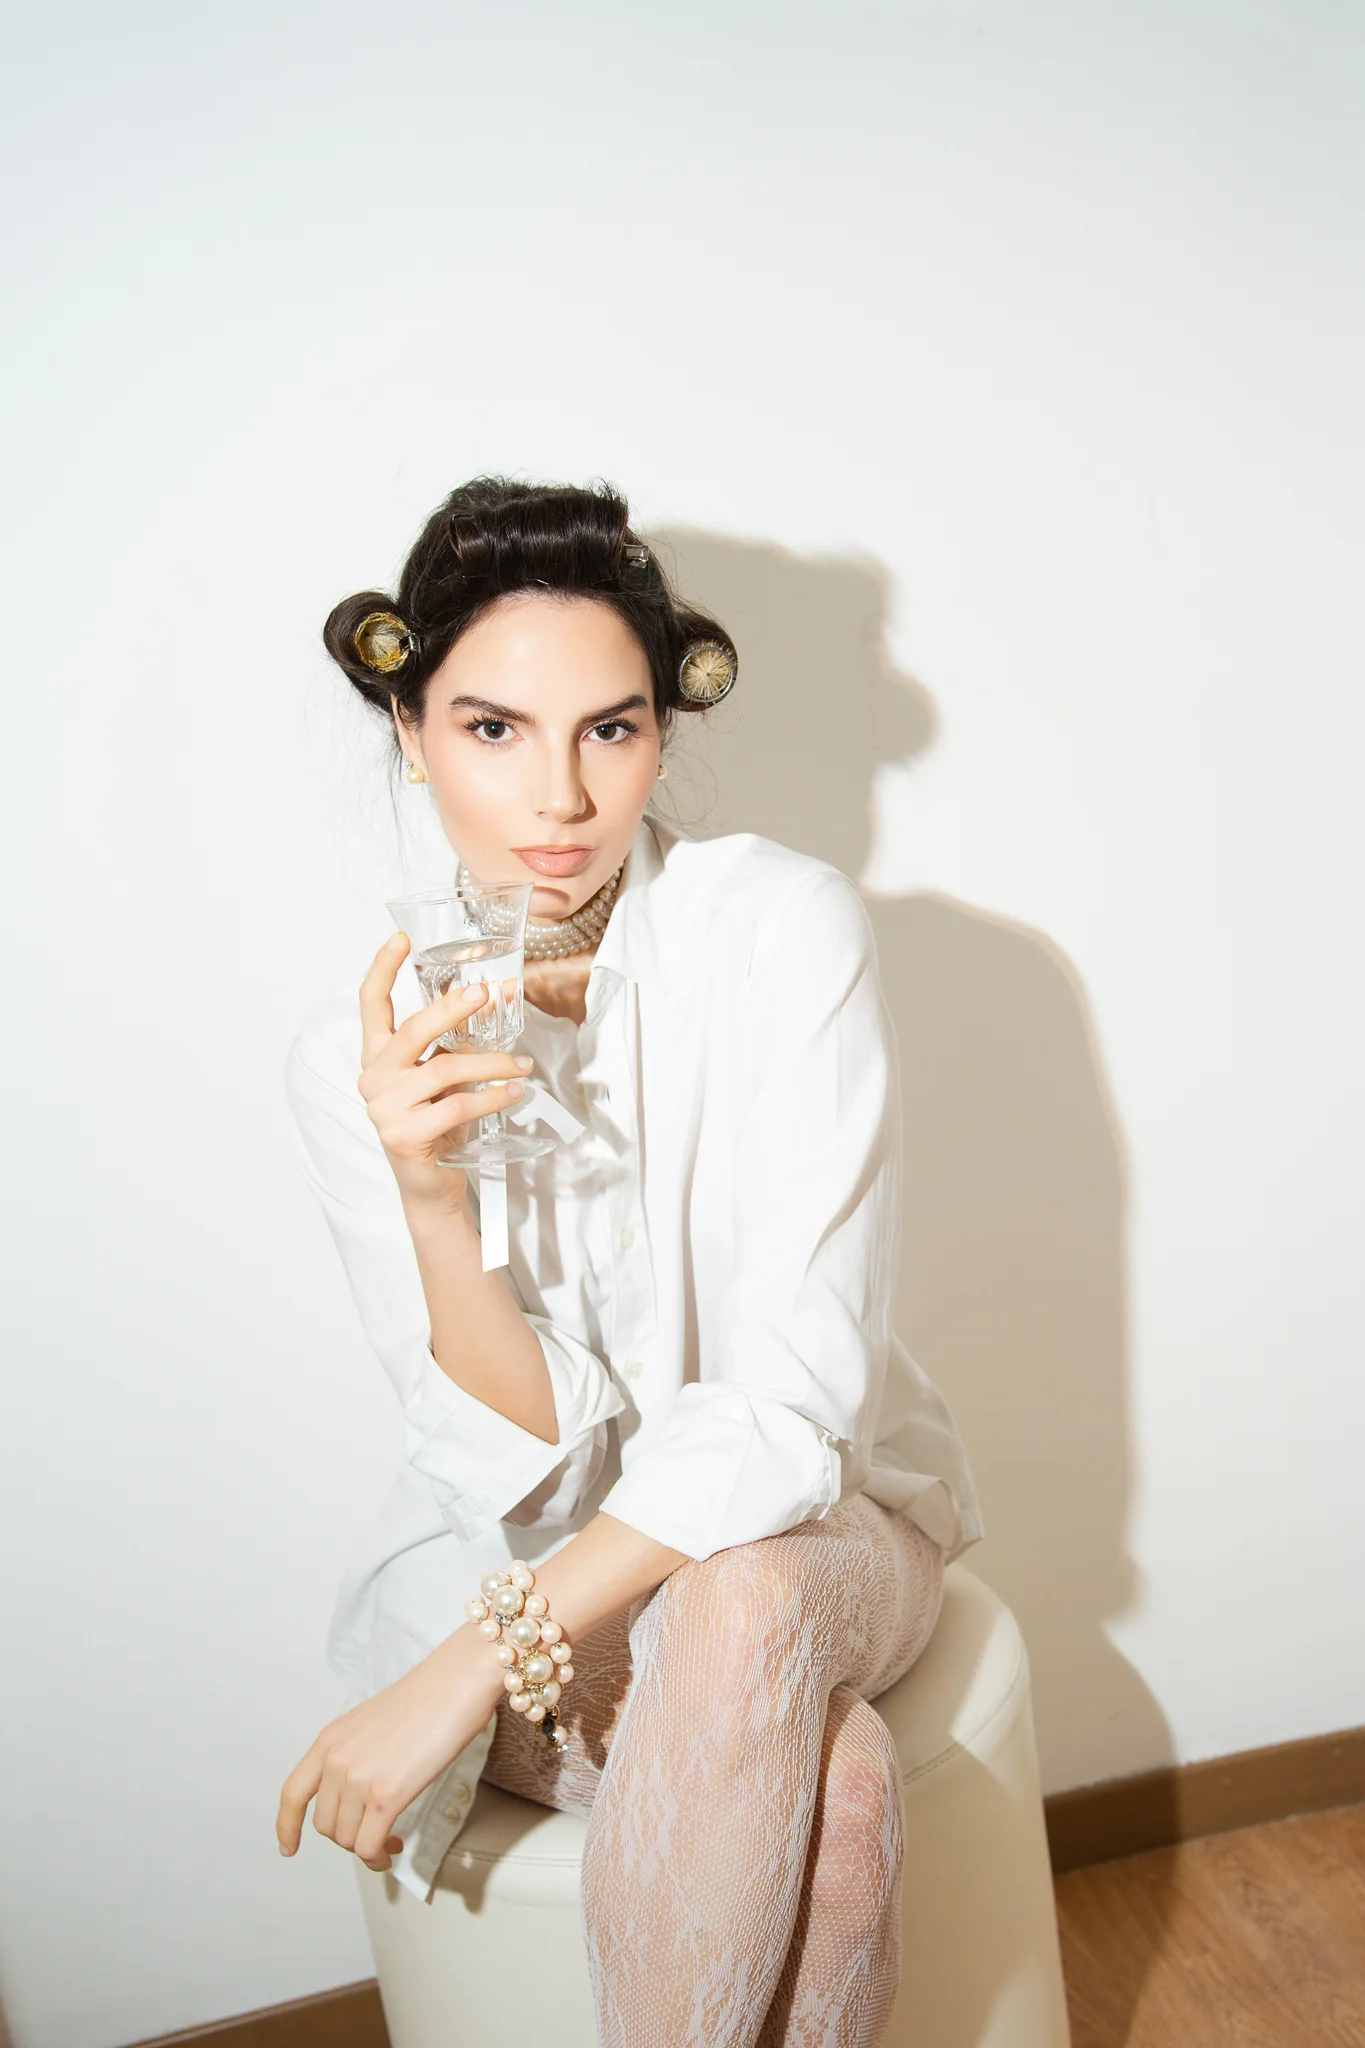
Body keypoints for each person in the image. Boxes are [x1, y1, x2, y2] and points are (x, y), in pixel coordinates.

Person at [275, 475, 984, 2047]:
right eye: (491, 730)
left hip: (825, 1541)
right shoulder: (354, 1061)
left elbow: (796, 1408)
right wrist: (433, 1203)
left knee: (738, 1604)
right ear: (408, 730)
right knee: (846, 1805)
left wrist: (477, 1659)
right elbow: (520, 1471)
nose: (561, 798)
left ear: (665, 730)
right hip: (557, 1568)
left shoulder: (779, 930)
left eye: (611, 728)